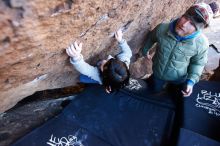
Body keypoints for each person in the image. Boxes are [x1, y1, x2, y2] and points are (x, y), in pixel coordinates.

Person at [137, 3, 214, 97]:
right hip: (158, 74)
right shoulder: (162, 28)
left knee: (174, 95)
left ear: (198, 29)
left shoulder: (201, 44)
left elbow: (198, 63)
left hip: (180, 78)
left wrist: (191, 81)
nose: (184, 24)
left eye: (192, 24)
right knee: (152, 93)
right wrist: (145, 50)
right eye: (186, 18)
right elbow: (152, 38)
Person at [66, 29, 132, 93]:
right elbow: (128, 52)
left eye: (104, 65)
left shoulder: (100, 77)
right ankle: (107, 85)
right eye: (110, 61)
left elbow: (86, 70)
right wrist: (121, 40)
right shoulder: (124, 62)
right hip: (110, 82)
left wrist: (76, 57)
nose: (104, 61)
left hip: (105, 81)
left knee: (82, 78)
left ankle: (103, 85)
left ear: (104, 75)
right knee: (83, 78)